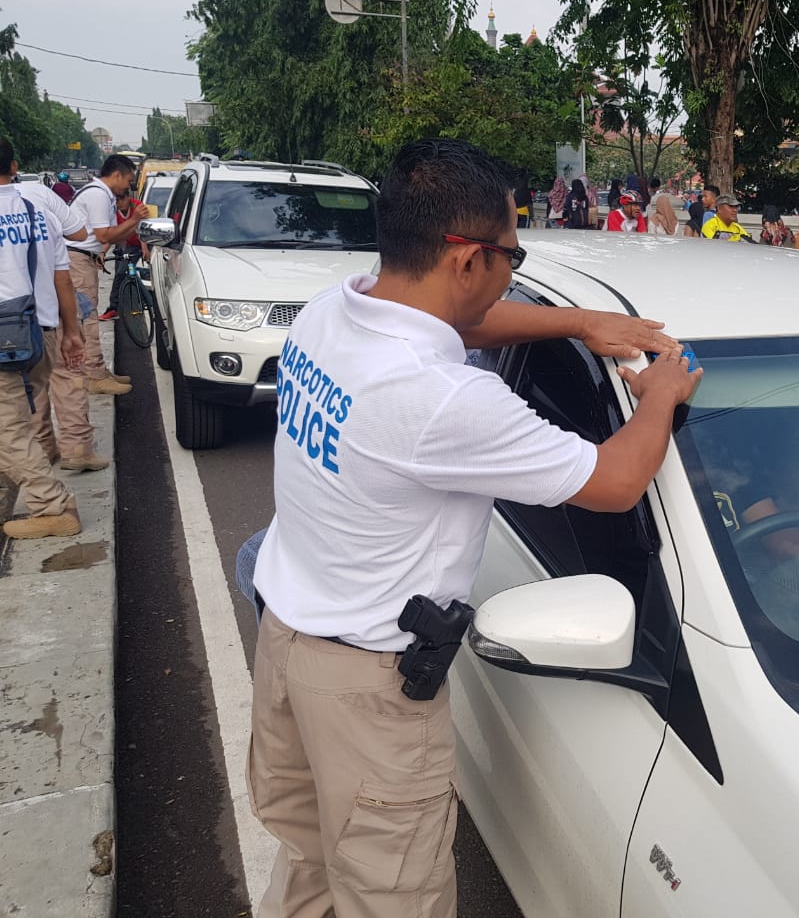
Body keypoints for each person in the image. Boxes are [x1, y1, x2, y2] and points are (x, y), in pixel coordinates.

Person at [247, 137, 699, 918]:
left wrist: (577, 321)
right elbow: (620, 482)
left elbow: (464, 327)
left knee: (315, 864)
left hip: (287, 645)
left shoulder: (337, 309)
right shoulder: (440, 399)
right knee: (393, 898)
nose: (510, 275)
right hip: (368, 697)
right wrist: (658, 395)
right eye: (511, 260)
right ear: (466, 260)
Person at [0, 138, 87, 538]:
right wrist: (73, 332)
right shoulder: (40, 213)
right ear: (14, 165)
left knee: (8, 431)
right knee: (23, 420)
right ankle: (50, 498)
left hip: (4, 340)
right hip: (44, 332)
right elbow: (62, 278)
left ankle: (52, 507)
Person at [65, 154, 143, 396]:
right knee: (87, 318)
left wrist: (133, 224)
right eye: (129, 180)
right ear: (117, 174)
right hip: (77, 260)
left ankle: (98, 371)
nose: (129, 186)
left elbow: (114, 236)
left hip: (84, 258)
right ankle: (95, 376)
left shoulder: (104, 195)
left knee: (88, 314)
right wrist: (135, 219)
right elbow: (104, 235)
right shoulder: (98, 195)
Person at [102, 192, 148, 321]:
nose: (119, 202)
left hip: (145, 242)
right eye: (116, 200)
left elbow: (142, 228)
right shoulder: (113, 212)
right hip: (128, 245)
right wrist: (102, 253)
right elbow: (111, 235)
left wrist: (144, 247)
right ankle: (113, 308)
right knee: (120, 273)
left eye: (121, 199)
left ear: (129, 197)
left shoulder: (138, 207)